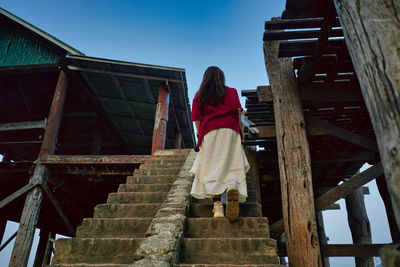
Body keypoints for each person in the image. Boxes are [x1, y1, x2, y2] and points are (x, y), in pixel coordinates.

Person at [190, 66, 250, 221]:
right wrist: (239, 133)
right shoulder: (232, 92)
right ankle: (231, 187)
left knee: (213, 167)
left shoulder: (199, 96)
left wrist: (200, 134)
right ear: (222, 78)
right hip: (230, 129)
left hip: (209, 131)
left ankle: (217, 208)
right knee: (231, 163)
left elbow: (197, 118)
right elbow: (237, 113)